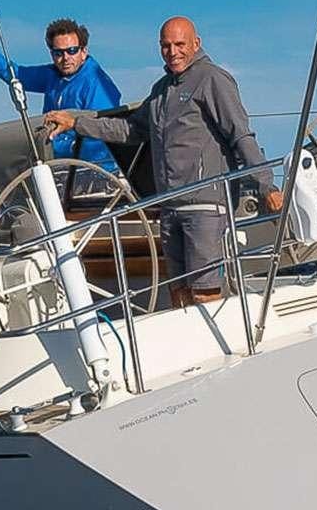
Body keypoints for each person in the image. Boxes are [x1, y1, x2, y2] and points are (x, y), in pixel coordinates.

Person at [44, 16, 283, 308]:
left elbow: (240, 135)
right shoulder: (160, 90)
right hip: (169, 207)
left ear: (196, 44)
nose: (173, 52)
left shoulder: (212, 79)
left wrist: (266, 185)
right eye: (166, 46)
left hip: (205, 207)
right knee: (178, 292)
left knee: (205, 291)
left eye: (180, 44)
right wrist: (77, 123)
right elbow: (130, 130)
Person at [0, 15, 123, 173]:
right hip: (57, 165)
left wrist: (48, 147)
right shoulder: (53, 75)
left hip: (93, 171)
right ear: (52, 54)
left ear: (83, 52)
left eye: (72, 51)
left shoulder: (98, 85)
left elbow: (101, 137)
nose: (65, 58)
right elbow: (17, 75)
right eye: (58, 53)